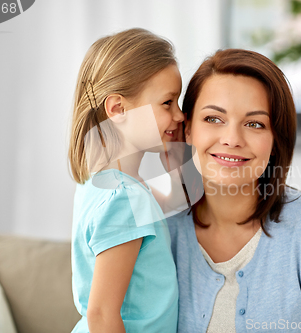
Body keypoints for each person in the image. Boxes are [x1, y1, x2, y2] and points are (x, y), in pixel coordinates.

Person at [167, 49, 301, 333]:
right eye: (213, 119)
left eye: (255, 124)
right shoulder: (158, 230)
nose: (232, 139)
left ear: (275, 142)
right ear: (187, 130)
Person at [68, 28, 185, 333]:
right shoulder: (124, 198)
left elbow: (173, 203)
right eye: (168, 103)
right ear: (118, 108)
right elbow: (101, 315)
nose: (181, 115)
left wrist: (177, 164)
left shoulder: (108, 185)